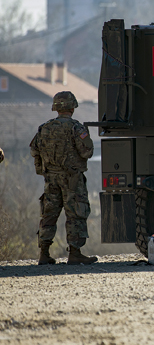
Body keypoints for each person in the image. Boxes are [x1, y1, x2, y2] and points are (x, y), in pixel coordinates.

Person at [30, 91, 97, 265]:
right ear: (72, 107)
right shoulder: (76, 128)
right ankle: (75, 253)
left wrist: (44, 169)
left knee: (48, 215)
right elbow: (87, 152)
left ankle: (44, 254)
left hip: (51, 179)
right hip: (71, 179)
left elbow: (34, 150)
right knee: (76, 213)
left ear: (56, 108)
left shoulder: (44, 127)